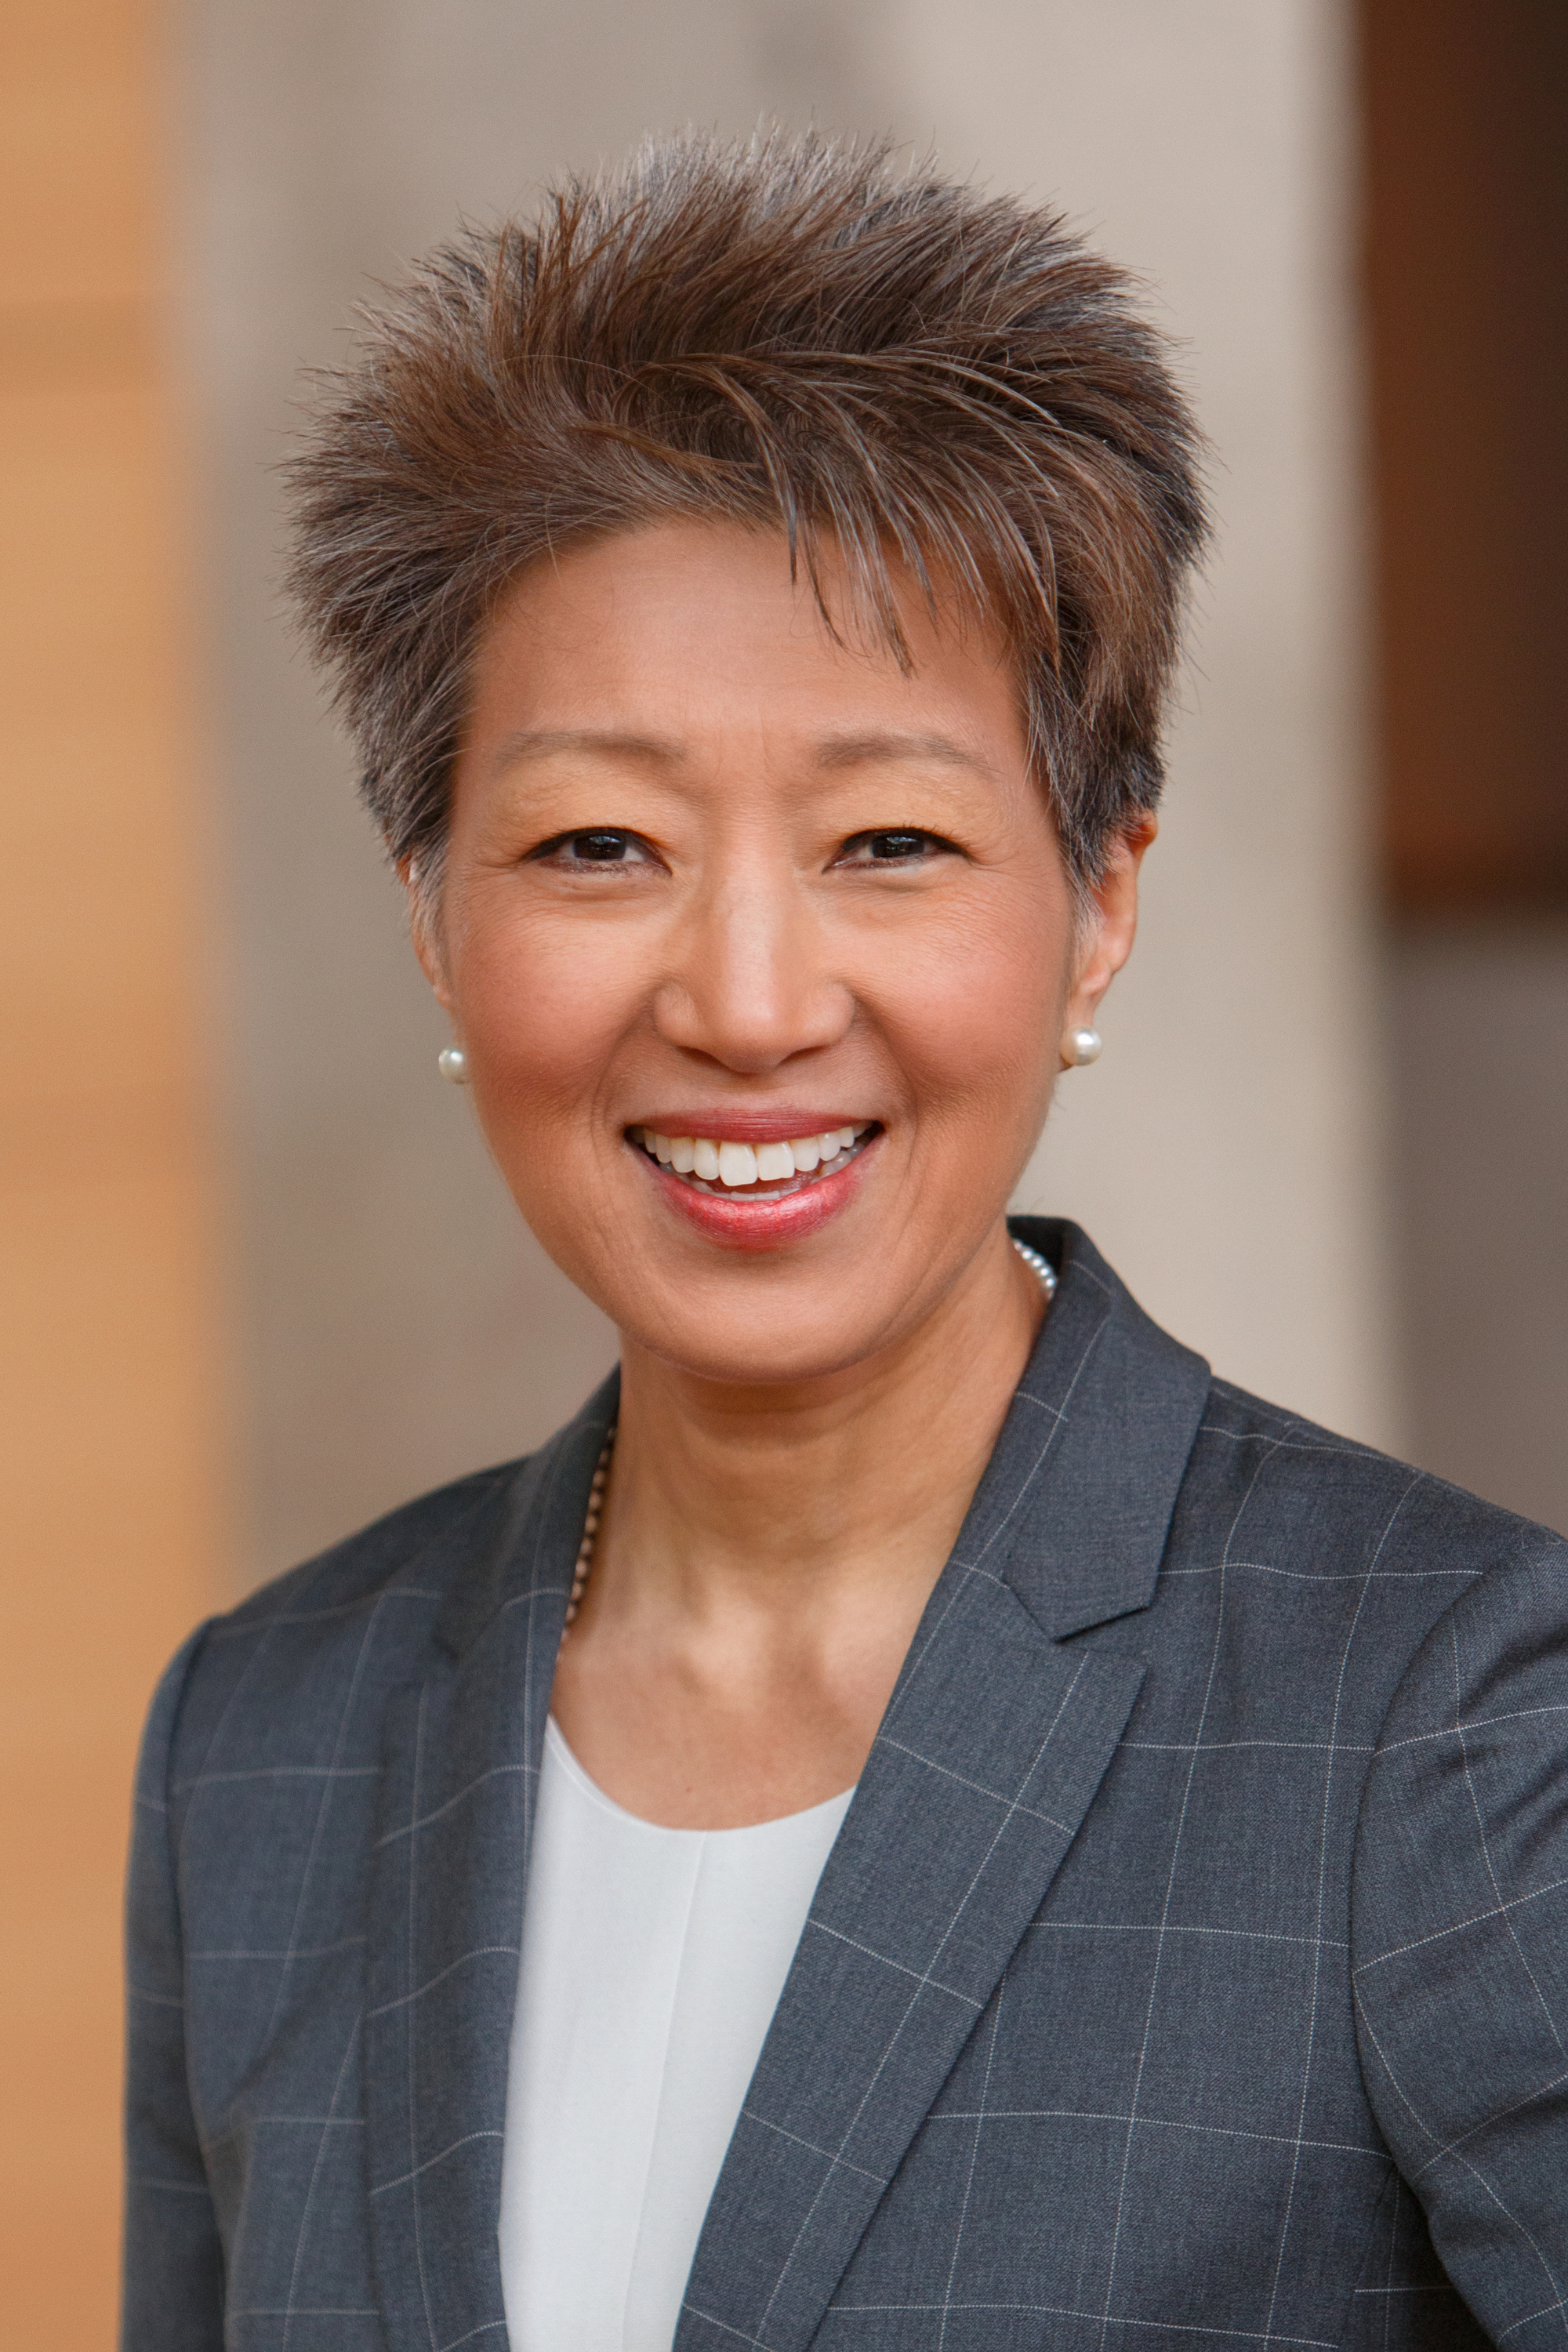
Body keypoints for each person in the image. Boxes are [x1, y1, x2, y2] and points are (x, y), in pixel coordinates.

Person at [123, 131, 1568, 2352]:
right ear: (431, 917)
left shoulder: (1441, 1723)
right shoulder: (268, 1744)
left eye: (889, 839)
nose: (751, 999)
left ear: (1099, 900)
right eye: (600, 845)